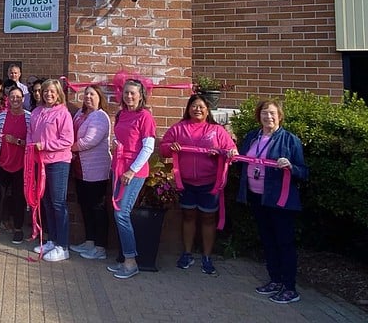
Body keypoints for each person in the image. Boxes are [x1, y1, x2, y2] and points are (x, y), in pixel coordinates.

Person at [237, 100, 308, 304]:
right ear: (259, 116)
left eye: (272, 113)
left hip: (280, 200)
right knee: (267, 240)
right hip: (257, 197)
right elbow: (243, 160)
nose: (268, 117)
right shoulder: (252, 137)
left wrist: (290, 167)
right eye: (264, 113)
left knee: (284, 242)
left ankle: (290, 287)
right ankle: (275, 280)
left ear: (280, 116)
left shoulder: (289, 140)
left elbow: (303, 171)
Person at [159, 94, 237, 275]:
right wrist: (171, 147)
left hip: (210, 184)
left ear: (207, 110)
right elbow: (163, 149)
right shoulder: (179, 128)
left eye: (201, 106)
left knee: (209, 219)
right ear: (188, 109)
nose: (197, 109)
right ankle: (187, 253)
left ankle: (207, 257)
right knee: (188, 217)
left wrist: (221, 153)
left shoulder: (217, 131)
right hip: (185, 183)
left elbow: (232, 152)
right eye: (194, 106)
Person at [106, 79, 156, 279]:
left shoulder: (145, 117)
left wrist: (132, 170)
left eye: (133, 93)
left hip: (133, 172)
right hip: (118, 168)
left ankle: (130, 261)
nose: (129, 96)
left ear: (141, 95)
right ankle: (124, 260)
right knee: (118, 213)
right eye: (126, 93)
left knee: (122, 214)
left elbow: (148, 147)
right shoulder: (121, 114)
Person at [28, 79, 74, 262]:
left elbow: (67, 140)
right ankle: (53, 240)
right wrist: (31, 147)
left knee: (58, 204)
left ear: (58, 94)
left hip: (58, 163)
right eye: (46, 91)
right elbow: (30, 133)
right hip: (40, 162)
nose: (48, 94)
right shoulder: (36, 111)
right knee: (46, 202)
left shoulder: (63, 113)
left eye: (52, 91)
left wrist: (44, 145)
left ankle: (63, 246)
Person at [69, 85, 112, 260]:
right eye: (86, 94)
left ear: (99, 97)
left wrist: (67, 148)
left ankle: (100, 247)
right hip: (80, 170)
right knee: (85, 206)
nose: (88, 97)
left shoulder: (100, 116)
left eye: (92, 94)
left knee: (97, 207)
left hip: (96, 170)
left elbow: (89, 141)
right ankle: (89, 242)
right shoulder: (80, 114)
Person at [0, 86, 30, 247]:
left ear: (23, 99)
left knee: (19, 199)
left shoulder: (29, 118)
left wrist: (17, 142)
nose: (15, 100)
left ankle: (18, 229)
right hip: (2, 163)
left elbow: (31, 144)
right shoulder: (2, 116)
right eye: (12, 97)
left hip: (20, 165)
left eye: (18, 97)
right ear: (8, 99)